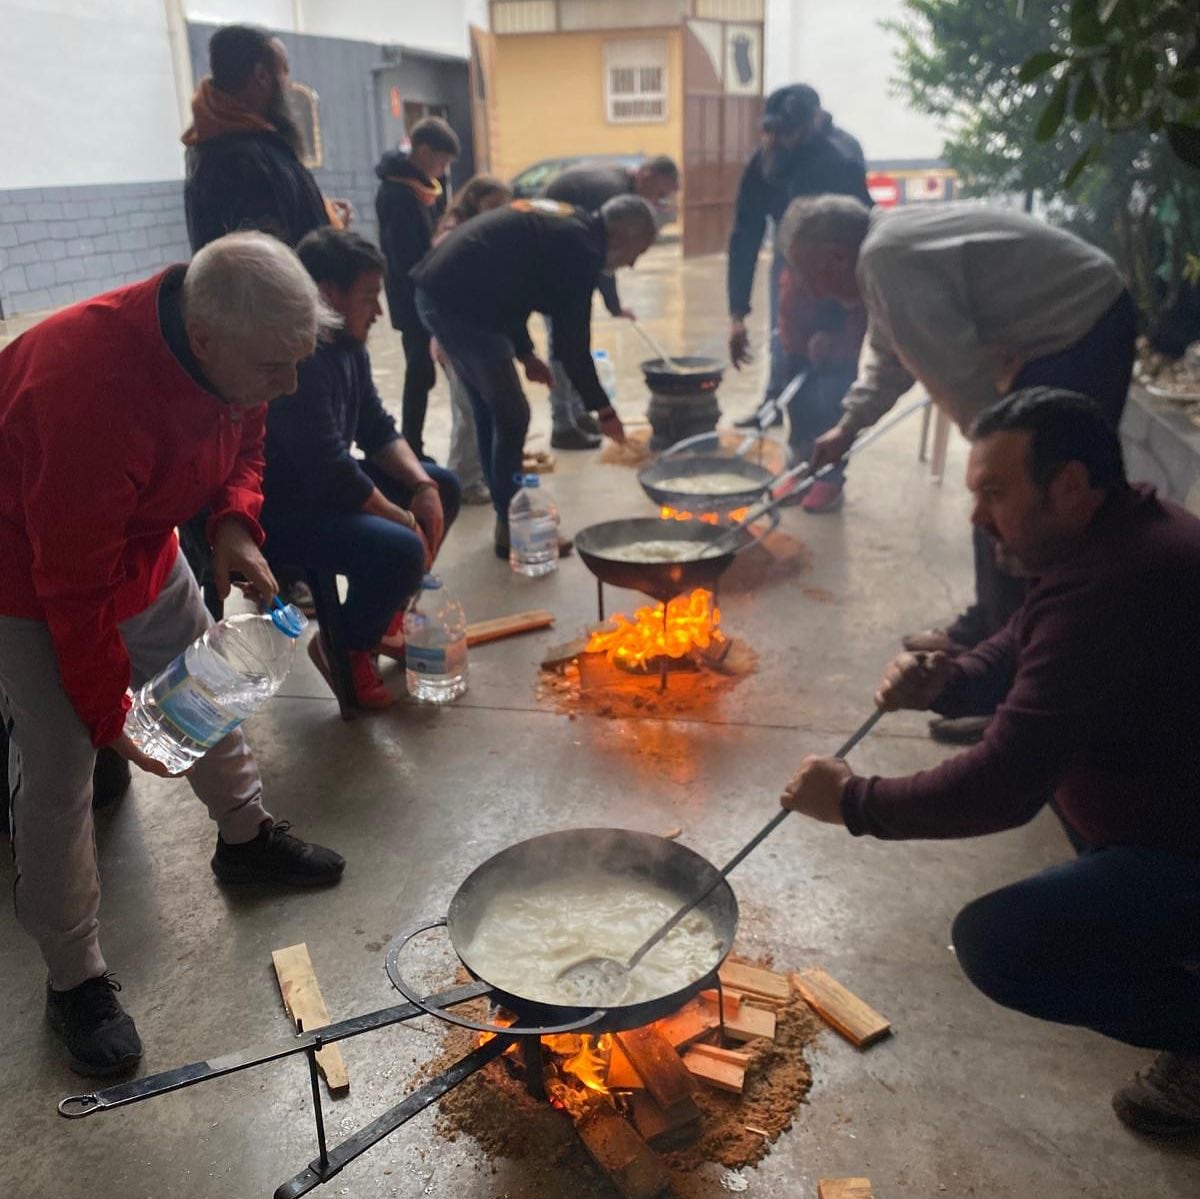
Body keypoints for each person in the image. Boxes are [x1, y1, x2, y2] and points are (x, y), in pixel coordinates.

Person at [780, 389, 1200, 1138]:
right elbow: (1032, 635)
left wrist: (852, 800)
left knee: (1000, 943)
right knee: (1074, 798)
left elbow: (1001, 785)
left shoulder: (1115, 588)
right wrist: (957, 676)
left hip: (1181, 838)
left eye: (995, 493)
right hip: (1166, 799)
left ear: (1069, 485)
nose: (976, 517)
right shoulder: (1123, 532)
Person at [0, 233, 347, 1077]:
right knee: (60, 769)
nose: (290, 384)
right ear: (204, 339)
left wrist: (233, 519)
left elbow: (248, 433)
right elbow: (73, 588)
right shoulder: (86, 388)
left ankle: (245, 835)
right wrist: (110, 714)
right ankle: (73, 973)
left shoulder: (242, 348)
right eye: (279, 366)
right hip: (28, 574)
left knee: (210, 682)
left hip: (144, 543)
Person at [786, 195, 1136, 739]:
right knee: (999, 508)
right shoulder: (881, 254)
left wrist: (993, 469)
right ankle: (987, 634)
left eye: (809, 276)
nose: (811, 292)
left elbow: (955, 373)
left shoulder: (884, 259)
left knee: (1026, 511)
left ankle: (1009, 696)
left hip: (1081, 328)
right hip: (1072, 324)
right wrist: (848, 426)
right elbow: (890, 354)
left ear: (835, 257)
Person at [262, 228, 461, 710]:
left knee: (444, 487)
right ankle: (342, 644)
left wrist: (420, 486)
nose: (378, 311)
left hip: (326, 484)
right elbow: (327, 467)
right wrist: (400, 518)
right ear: (328, 294)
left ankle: (381, 621)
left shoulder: (349, 348)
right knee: (399, 548)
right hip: (282, 507)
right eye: (369, 297)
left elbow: (376, 429)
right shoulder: (300, 359)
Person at [412, 195, 658, 558]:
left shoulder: (572, 224)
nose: (633, 264)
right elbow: (573, 346)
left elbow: (514, 286)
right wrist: (604, 411)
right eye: (636, 252)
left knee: (490, 409)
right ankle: (515, 526)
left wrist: (525, 354)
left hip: (446, 292)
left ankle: (506, 519)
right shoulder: (580, 250)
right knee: (512, 414)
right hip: (460, 305)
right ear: (619, 238)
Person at [726, 84, 870, 427]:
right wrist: (737, 313)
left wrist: (840, 327)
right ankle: (774, 405)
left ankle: (831, 431)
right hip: (789, 253)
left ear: (814, 122)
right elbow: (745, 234)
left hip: (837, 258)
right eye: (768, 131)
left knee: (828, 355)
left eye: (785, 132)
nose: (774, 141)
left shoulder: (840, 161)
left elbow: (854, 248)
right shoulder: (765, 159)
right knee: (784, 336)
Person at [542, 156, 681, 450]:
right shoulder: (611, 192)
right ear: (646, 175)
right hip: (550, 266)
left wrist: (614, 306)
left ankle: (579, 414)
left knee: (574, 343)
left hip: (564, 260)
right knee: (565, 345)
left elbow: (604, 256)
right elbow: (604, 255)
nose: (658, 202)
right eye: (659, 194)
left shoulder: (620, 185)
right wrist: (612, 303)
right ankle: (562, 424)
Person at [183, 24, 343, 251]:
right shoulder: (241, 160)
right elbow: (270, 260)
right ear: (260, 76)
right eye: (284, 72)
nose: (289, 84)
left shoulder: (223, 142)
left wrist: (321, 213)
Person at [375, 117, 461, 459]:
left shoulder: (422, 187)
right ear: (423, 150)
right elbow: (405, 256)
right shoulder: (398, 192)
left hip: (426, 287)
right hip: (410, 294)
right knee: (419, 369)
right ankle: (412, 444)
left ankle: (414, 442)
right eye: (441, 161)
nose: (442, 171)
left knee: (425, 370)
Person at [432, 175, 515, 505]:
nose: (498, 214)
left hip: (471, 337)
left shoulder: (478, 233)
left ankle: (472, 474)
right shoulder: (455, 235)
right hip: (455, 337)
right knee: (467, 410)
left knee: (475, 409)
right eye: (493, 206)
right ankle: (462, 480)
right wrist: (438, 339)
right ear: (474, 201)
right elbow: (439, 291)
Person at [771, 261, 866, 511]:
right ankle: (802, 471)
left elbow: (849, 286)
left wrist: (833, 330)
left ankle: (829, 478)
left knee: (830, 402)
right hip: (796, 330)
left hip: (835, 331)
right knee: (799, 404)